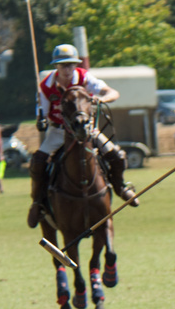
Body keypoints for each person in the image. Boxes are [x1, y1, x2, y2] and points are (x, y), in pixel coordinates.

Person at [26, 44, 139, 229]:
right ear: (56, 66)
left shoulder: (85, 78)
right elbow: (44, 113)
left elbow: (113, 93)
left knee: (117, 155)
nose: (67, 69)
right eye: (63, 65)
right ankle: (37, 203)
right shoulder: (46, 86)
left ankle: (121, 187)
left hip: (86, 130)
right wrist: (41, 119)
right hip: (59, 131)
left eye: (71, 64)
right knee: (38, 162)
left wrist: (100, 99)